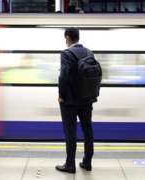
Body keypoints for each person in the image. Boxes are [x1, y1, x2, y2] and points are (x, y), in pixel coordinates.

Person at [56, 27, 98, 174]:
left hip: (70, 101)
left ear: (67, 37)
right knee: (88, 130)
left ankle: (70, 165)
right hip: (87, 99)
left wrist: (61, 95)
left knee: (70, 132)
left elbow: (64, 76)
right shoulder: (89, 52)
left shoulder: (66, 54)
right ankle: (87, 162)